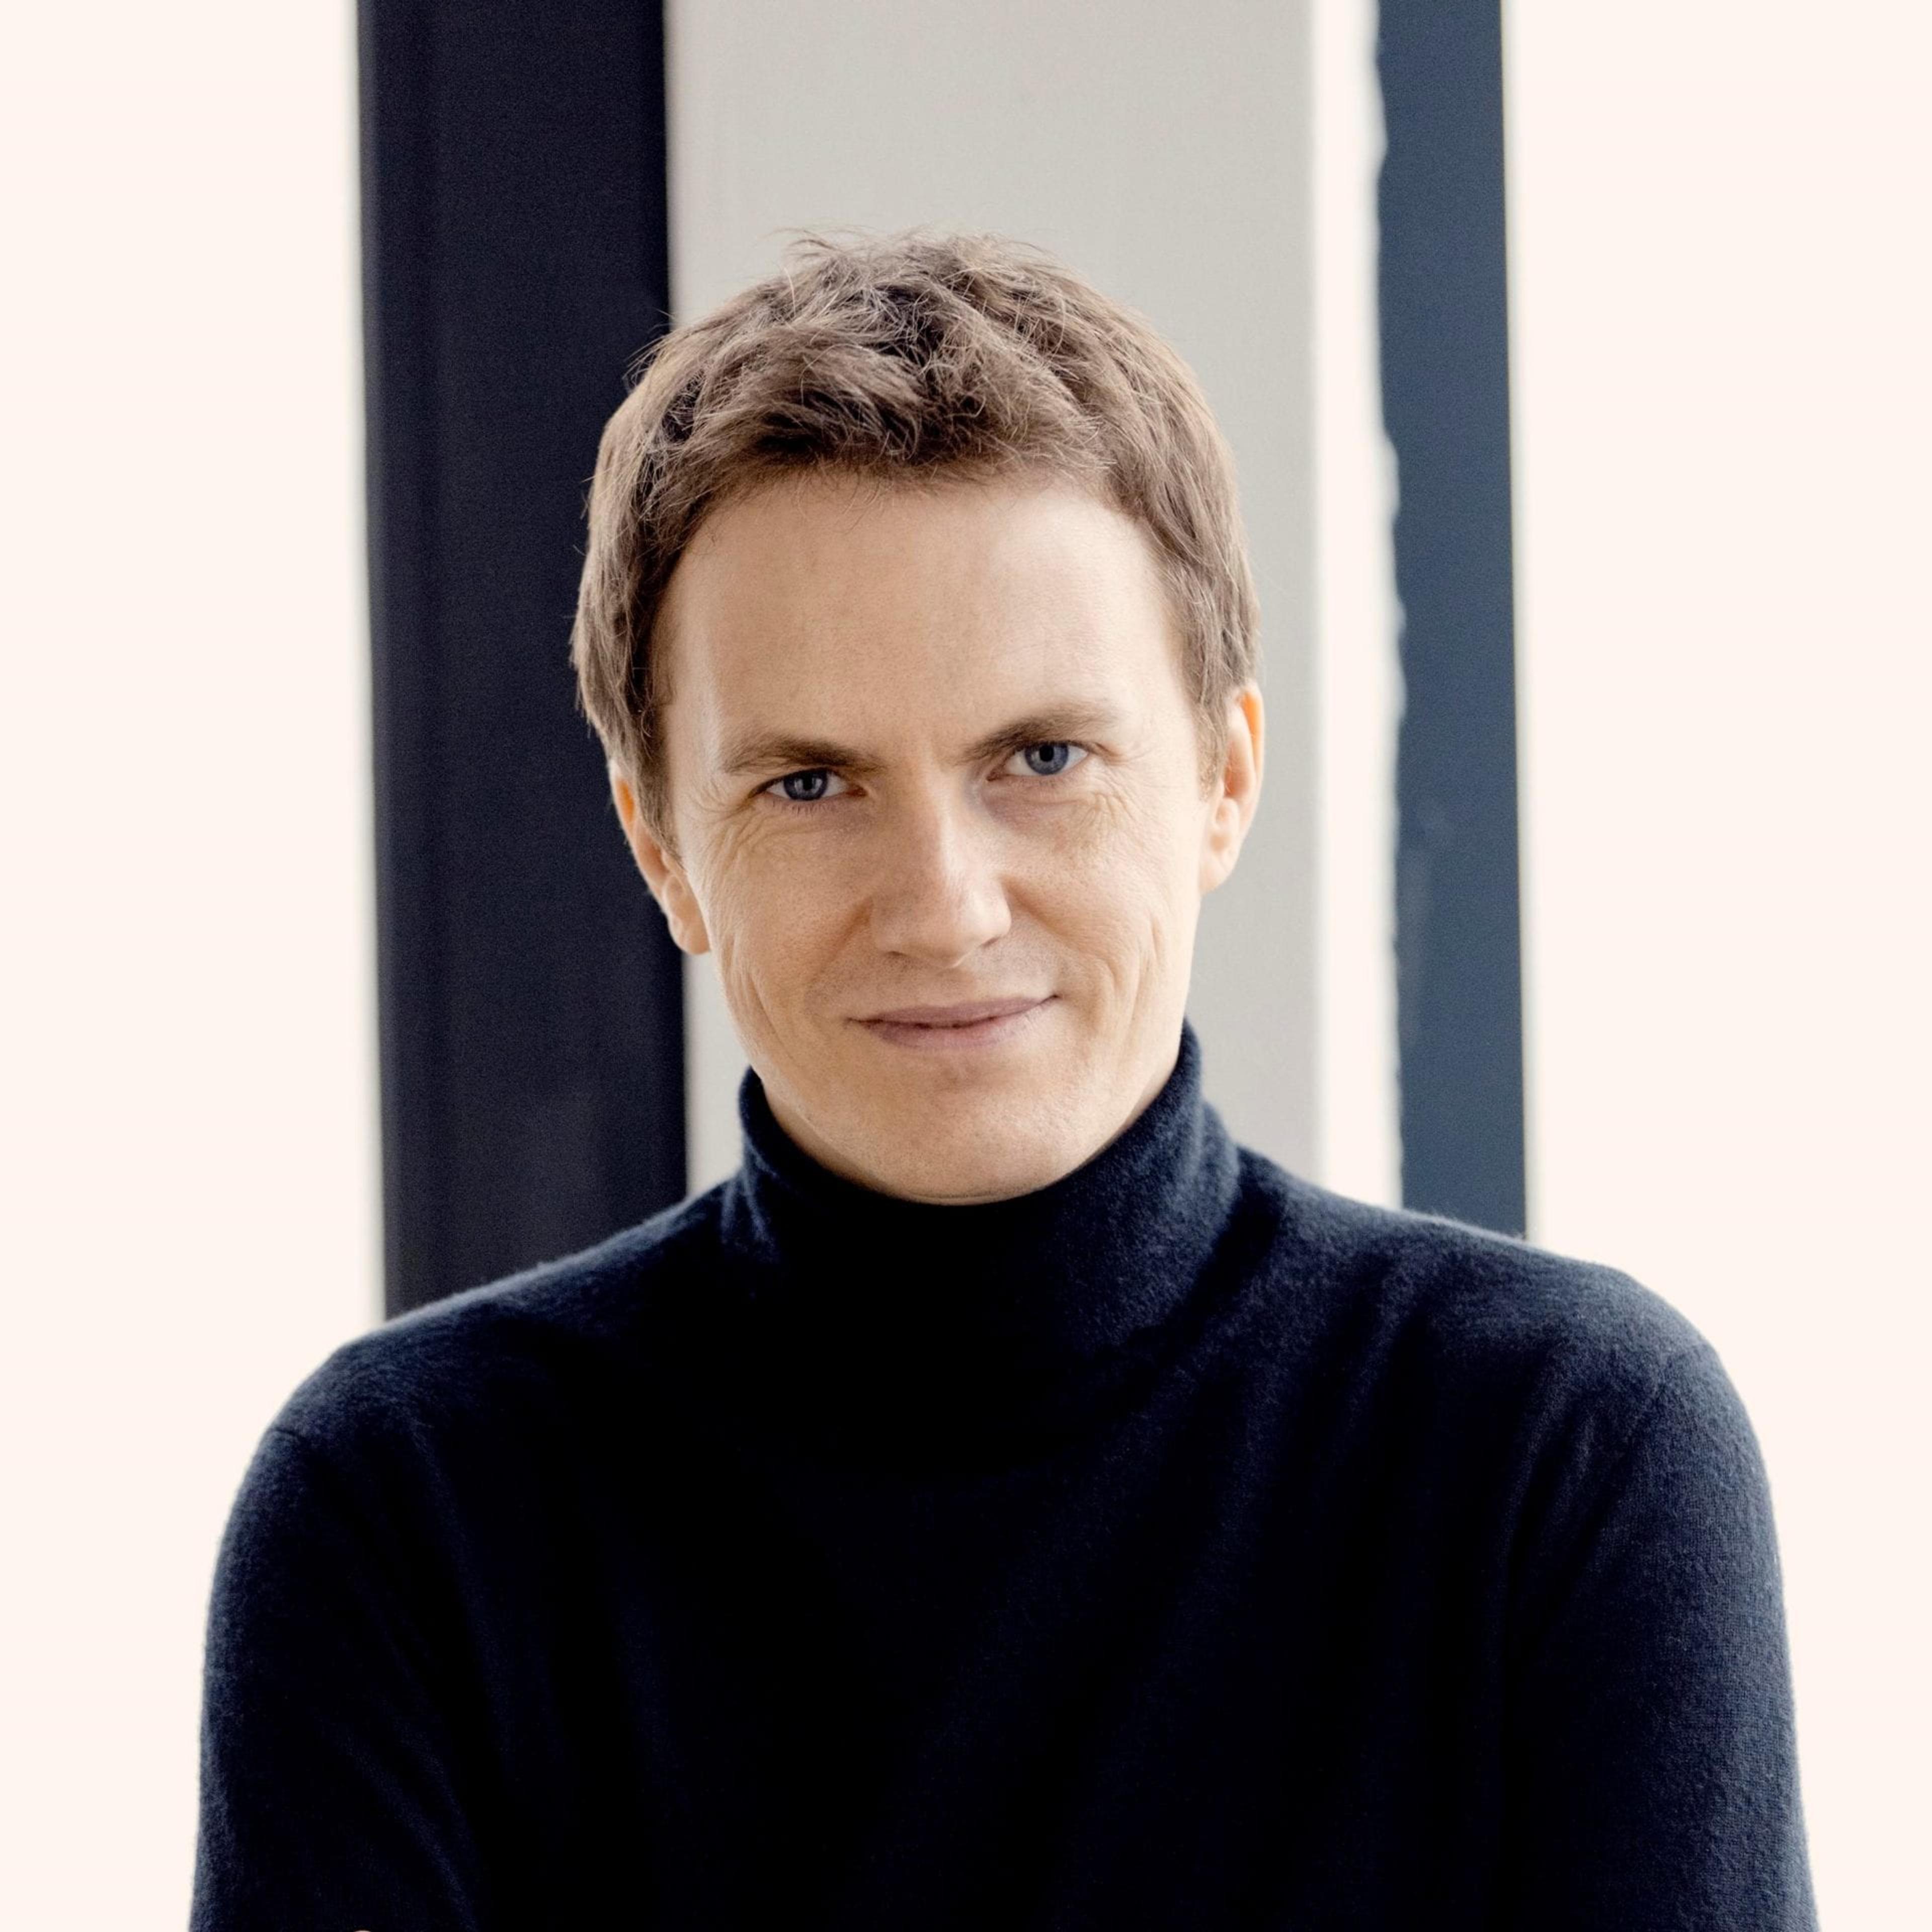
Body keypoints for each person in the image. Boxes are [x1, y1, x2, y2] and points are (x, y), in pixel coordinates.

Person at [191, 229, 1816, 1929]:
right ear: (660, 844)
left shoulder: (1563, 1454)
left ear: (1223, 782)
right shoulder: (408, 1515)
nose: (946, 906)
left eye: (1043, 757)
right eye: (811, 785)